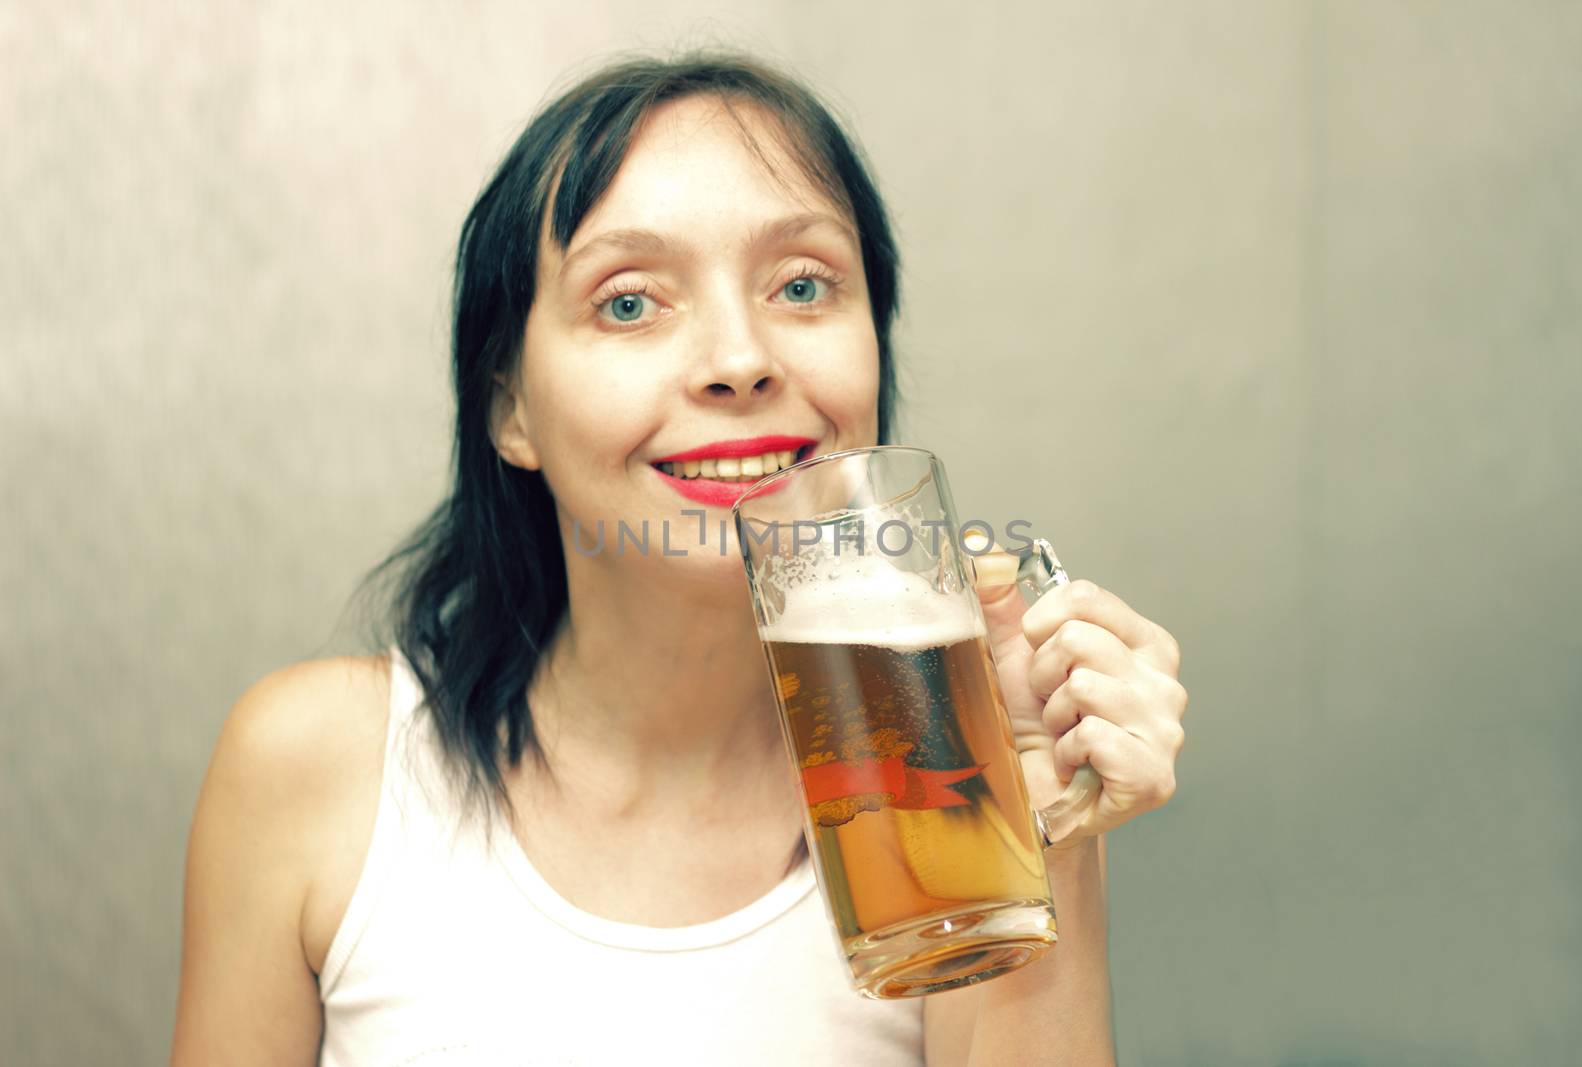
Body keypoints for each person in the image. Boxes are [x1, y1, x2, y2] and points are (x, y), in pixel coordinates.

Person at [171, 52, 1187, 1066]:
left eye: (801, 284)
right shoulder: (316, 770)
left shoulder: (946, 800)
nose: (740, 360)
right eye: (627, 301)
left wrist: (1041, 821)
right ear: (508, 406)